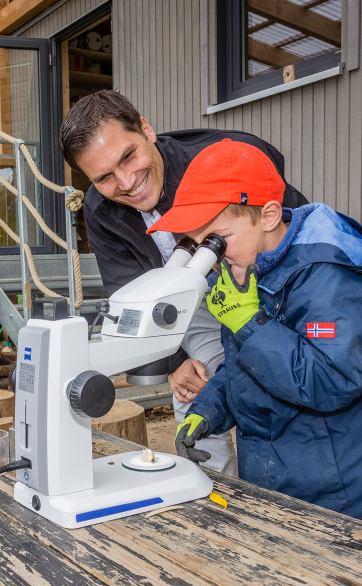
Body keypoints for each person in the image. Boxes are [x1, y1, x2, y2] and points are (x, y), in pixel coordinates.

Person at [151, 138, 362, 533]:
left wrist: (247, 322)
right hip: (287, 483)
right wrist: (206, 412)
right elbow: (250, 364)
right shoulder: (250, 267)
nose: (211, 256)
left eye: (217, 239)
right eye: (200, 243)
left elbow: (331, 380)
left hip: (349, 496)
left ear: (267, 215)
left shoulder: (332, 274)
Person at [59, 89, 308, 475]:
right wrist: (174, 362)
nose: (126, 182)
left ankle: (285, 488)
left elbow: (295, 234)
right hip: (190, 298)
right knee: (192, 390)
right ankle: (214, 492)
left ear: (146, 129)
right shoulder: (98, 210)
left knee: (281, 385)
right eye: (105, 177)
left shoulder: (224, 157)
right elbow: (129, 290)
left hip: (268, 281)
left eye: (128, 156)